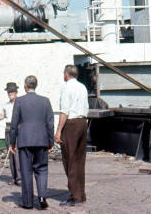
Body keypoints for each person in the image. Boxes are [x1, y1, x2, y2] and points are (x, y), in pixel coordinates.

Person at [10, 75, 54, 210]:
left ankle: (28, 202)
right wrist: (50, 141)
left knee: (26, 171)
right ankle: (41, 197)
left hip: (24, 141)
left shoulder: (19, 101)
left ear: (25, 86)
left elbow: (13, 124)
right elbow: (50, 123)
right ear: (36, 85)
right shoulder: (45, 101)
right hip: (41, 140)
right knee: (41, 169)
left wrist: (12, 142)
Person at [55, 65, 89, 206]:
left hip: (71, 124)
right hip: (83, 122)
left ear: (67, 74)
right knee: (80, 159)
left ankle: (75, 195)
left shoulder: (66, 87)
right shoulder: (83, 87)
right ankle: (80, 192)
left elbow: (64, 111)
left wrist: (58, 130)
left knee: (70, 159)